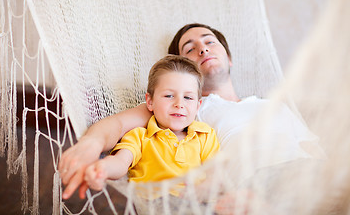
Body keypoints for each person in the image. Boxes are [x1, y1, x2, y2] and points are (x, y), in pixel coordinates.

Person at [59, 23, 324, 201]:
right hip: (263, 186)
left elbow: (313, 148)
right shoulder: (186, 109)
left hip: (314, 175)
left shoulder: (273, 104)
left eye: (210, 41)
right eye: (190, 48)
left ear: (229, 58)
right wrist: (91, 145)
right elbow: (117, 125)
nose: (203, 48)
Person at [83, 55, 219, 191]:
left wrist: (202, 190)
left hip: (195, 204)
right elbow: (120, 162)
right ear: (150, 102)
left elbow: (216, 174)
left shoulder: (205, 135)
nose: (179, 104)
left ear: (197, 106)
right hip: (152, 204)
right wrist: (103, 169)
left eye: (188, 97)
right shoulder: (140, 135)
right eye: (169, 96)